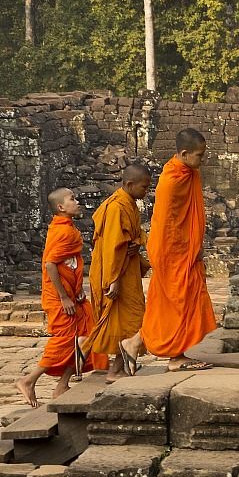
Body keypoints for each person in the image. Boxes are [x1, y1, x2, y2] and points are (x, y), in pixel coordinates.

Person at [16, 188, 108, 405]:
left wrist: (76, 290)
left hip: (72, 294)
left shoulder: (66, 227)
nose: (78, 202)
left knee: (84, 336)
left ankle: (62, 385)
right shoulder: (63, 232)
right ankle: (29, 380)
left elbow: (69, 263)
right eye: (72, 199)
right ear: (60, 207)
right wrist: (64, 297)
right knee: (64, 341)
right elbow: (50, 265)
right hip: (59, 298)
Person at [141, 128, 216, 371]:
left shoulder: (187, 172)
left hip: (186, 250)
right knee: (178, 302)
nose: (202, 161)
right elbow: (168, 225)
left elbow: (189, 216)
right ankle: (176, 357)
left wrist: (196, 244)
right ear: (184, 153)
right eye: (199, 156)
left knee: (187, 299)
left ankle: (135, 343)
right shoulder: (172, 181)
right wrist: (187, 248)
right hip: (172, 251)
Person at [85, 164, 152, 383]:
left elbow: (134, 233)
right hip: (115, 271)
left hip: (126, 268)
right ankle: (114, 369)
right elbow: (112, 246)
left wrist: (137, 242)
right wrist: (112, 280)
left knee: (129, 320)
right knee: (127, 322)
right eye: (144, 187)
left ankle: (117, 365)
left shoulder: (129, 203)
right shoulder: (116, 207)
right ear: (129, 184)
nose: (146, 192)